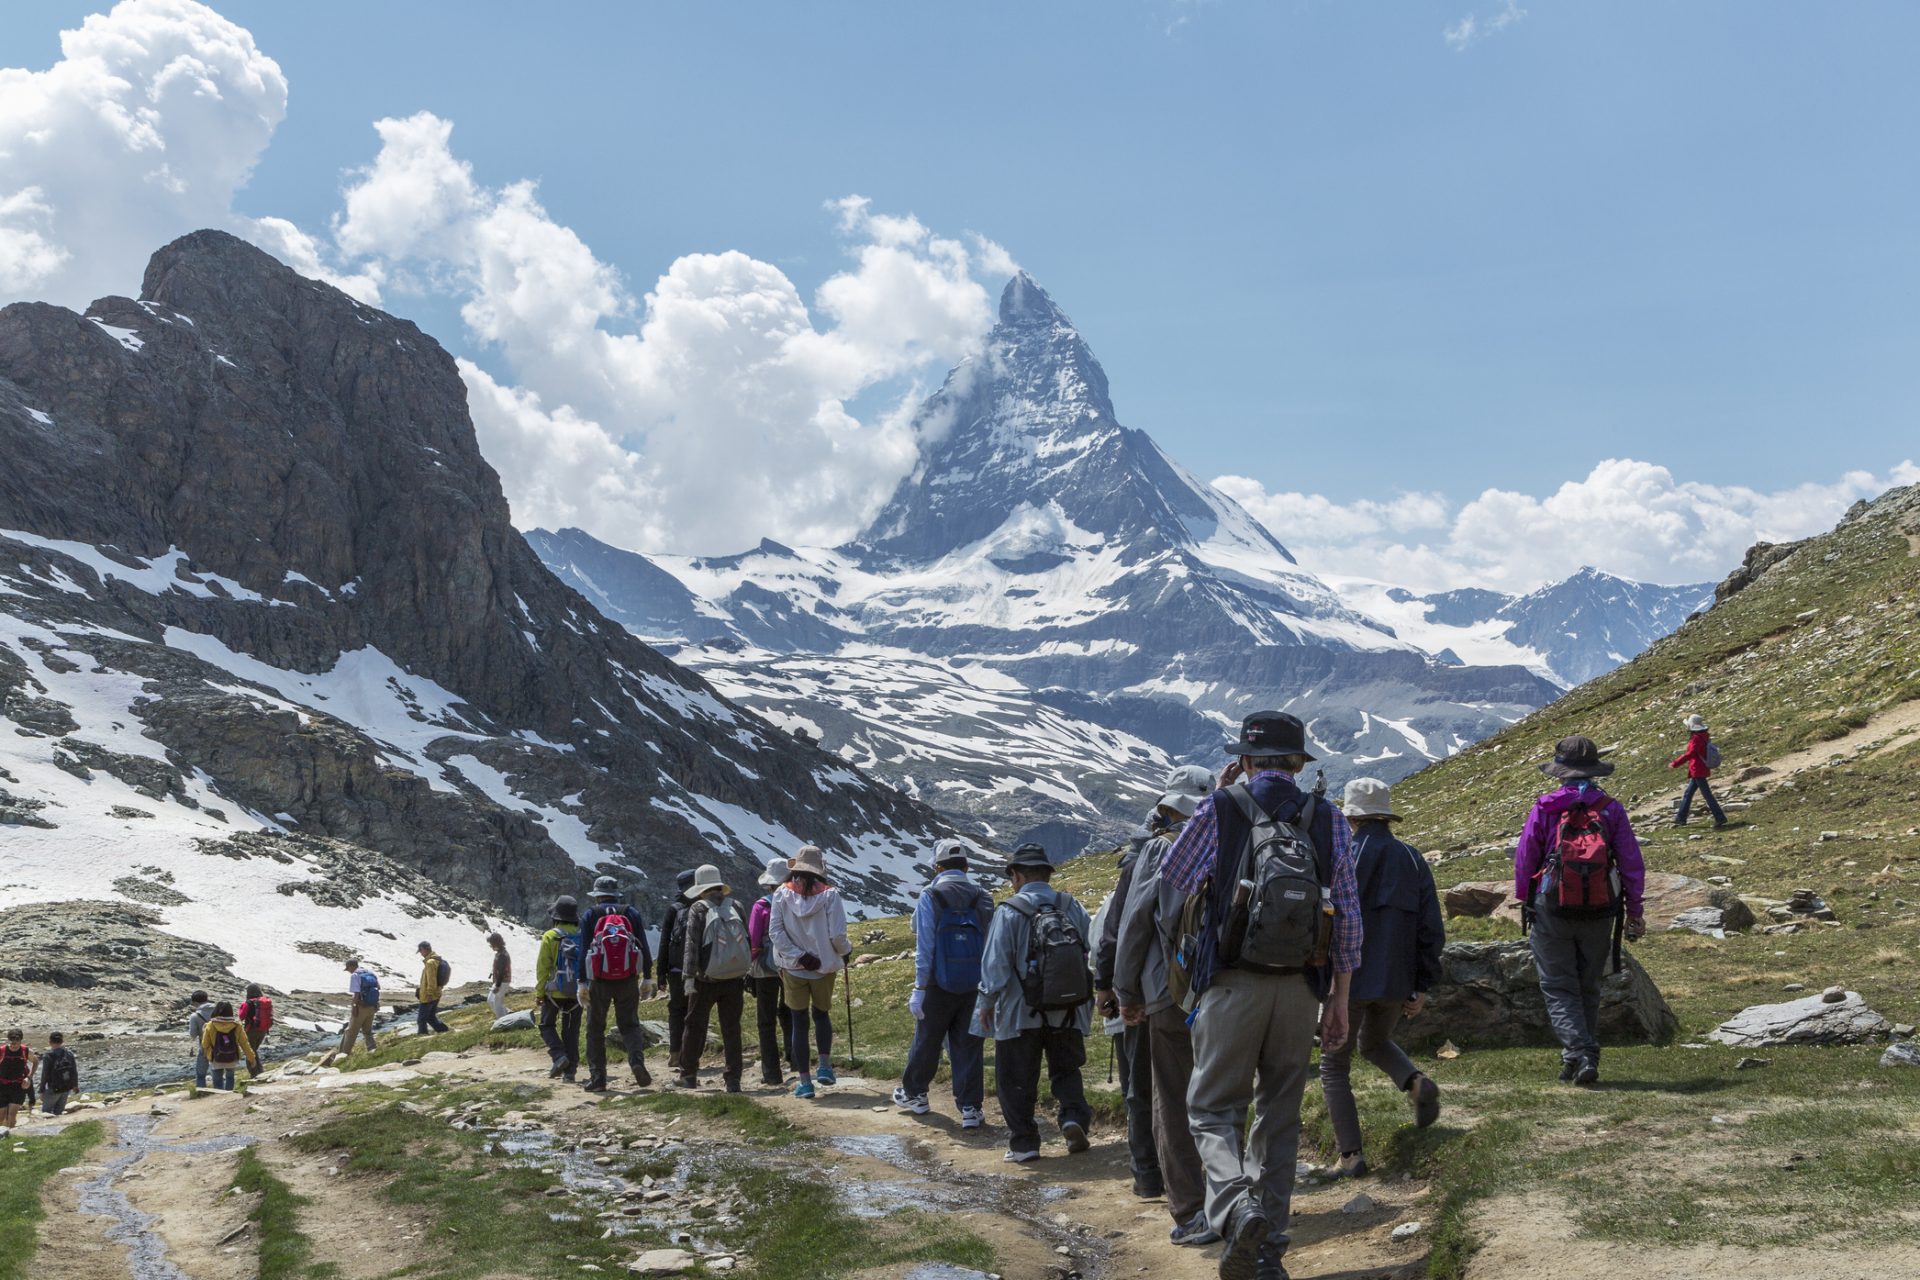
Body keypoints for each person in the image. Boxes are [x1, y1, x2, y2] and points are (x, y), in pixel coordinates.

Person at [1159, 710, 1363, 1280]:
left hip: (1230, 984)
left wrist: (1218, 805)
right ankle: (1268, 1245)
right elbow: (1346, 919)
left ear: (1245, 761)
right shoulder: (1330, 819)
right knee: (1280, 1117)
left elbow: (1171, 883)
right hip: (1301, 989)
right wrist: (1339, 1002)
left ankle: (1232, 1203)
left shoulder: (1221, 808)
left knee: (1212, 1108)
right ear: (1299, 763)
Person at [1318, 778, 1445, 1181]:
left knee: (1334, 1064)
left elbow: (1327, 921)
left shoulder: (1344, 856)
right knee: (1374, 1042)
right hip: (1396, 979)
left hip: (1348, 980)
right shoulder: (1411, 858)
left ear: (1351, 817)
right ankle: (1416, 1081)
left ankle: (1350, 1155)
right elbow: (1431, 929)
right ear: (1386, 815)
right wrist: (1421, 984)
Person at [1115, 772, 1218, 1247]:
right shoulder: (1233, 837)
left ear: (1167, 807)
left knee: (1172, 1102)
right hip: (1226, 992)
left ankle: (1192, 1213)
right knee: (1222, 1098)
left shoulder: (1160, 848)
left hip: (1168, 994)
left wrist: (1125, 991)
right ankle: (1232, 1199)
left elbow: (1137, 921)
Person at [1515, 735, 1646, 1087]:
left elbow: (1526, 857)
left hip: (1551, 906)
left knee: (1558, 985)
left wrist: (1524, 900)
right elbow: (1631, 862)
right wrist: (1634, 909)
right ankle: (1579, 1055)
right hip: (1601, 909)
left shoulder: (1546, 806)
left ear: (1560, 772)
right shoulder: (1611, 808)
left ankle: (1581, 1051)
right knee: (1588, 985)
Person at [976, 842, 1094, 1164]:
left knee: (1016, 1079)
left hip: (1019, 1013)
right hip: (1067, 1010)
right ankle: (1073, 1119)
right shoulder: (1072, 906)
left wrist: (986, 1002)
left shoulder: (1009, 911)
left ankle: (1024, 1143)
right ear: (1047, 873)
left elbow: (996, 964)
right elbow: (1091, 951)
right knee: (1067, 1070)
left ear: (1016, 875)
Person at [894, 838, 993, 1129]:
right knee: (968, 1045)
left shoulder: (931, 895)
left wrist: (919, 988)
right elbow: (990, 942)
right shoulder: (982, 896)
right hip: (975, 983)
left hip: (937, 983)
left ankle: (916, 1094)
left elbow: (924, 944)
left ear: (937, 867)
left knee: (927, 1039)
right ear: (967, 866)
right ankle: (971, 1108)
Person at [769, 845, 851, 1100]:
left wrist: (798, 956)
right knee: (822, 1014)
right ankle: (825, 1066)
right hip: (824, 967)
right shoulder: (830, 895)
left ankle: (804, 1082)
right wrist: (845, 950)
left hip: (794, 968)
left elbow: (776, 932)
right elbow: (837, 935)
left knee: (799, 1022)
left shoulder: (782, 894)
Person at [678, 864, 753, 1092]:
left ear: (701, 888)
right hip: (734, 977)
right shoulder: (737, 905)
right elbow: (746, 939)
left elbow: (691, 944)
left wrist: (689, 977)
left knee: (694, 1024)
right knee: (731, 1028)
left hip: (706, 979)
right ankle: (733, 1079)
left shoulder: (698, 908)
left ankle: (688, 1074)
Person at [578, 875, 657, 1092]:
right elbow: (643, 946)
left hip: (599, 981)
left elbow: (583, 950)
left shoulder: (590, 914)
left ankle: (598, 1078)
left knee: (595, 1028)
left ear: (597, 896)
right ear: (616, 894)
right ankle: (637, 1062)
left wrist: (581, 983)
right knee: (630, 1024)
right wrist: (647, 977)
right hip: (627, 979)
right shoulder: (630, 913)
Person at [747, 857, 796, 1086]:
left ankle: (772, 1072)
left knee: (766, 1020)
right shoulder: (796, 901)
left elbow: (754, 940)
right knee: (790, 1013)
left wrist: (750, 964)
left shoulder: (761, 906)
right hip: (791, 966)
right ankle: (796, 1059)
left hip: (765, 969)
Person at [535, 896, 584, 1082]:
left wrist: (540, 993)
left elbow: (543, 967)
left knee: (546, 1025)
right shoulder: (581, 935)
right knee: (571, 1030)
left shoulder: (550, 936)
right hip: (577, 991)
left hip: (554, 992)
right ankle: (570, 1073)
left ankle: (559, 1056)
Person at [655, 869, 698, 1075]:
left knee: (676, 1010)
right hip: (700, 970)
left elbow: (664, 941)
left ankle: (675, 1053)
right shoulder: (704, 907)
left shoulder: (675, 908)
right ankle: (693, 1053)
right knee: (696, 1012)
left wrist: (660, 973)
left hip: (676, 969)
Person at [1671, 714, 1727, 829]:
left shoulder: (1696, 738)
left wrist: (1675, 763)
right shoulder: (1703, 735)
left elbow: (1690, 754)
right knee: (1688, 793)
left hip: (1697, 770)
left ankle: (1720, 818)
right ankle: (1680, 818)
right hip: (1699, 769)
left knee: (1707, 795)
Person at [200, 1002, 259, 1090]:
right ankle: (229, 1095)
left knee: (217, 1079)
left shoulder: (210, 1025)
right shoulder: (237, 1025)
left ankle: (219, 1096)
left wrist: (205, 1055)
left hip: (216, 1058)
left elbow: (205, 1043)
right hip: (232, 1057)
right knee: (230, 1077)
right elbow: (244, 1044)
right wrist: (251, 1058)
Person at [340, 960, 380, 1056]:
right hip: (372, 1005)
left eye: (348, 969)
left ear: (351, 966)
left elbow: (356, 993)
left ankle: (344, 1055)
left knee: (351, 1032)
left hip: (361, 1007)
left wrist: (354, 1007)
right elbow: (378, 987)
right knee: (367, 1031)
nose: (348, 971)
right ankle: (372, 1050)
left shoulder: (355, 975)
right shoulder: (370, 973)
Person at [0, 1029, 34, 1134]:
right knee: (1, 1117)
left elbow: (35, 1062)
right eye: (12, 1043)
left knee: (11, 1115)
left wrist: (29, 1077)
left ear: (21, 1041)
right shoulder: (2, 1051)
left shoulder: (26, 1051)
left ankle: (10, 1135)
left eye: (17, 1043)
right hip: (2, 1086)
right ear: (8, 1040)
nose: (14, 1046)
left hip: (18, 1087)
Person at [37, 1031, 78, 1116]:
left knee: (46, 1113)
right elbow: (74, 1072)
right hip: (66, 1088)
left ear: (50, 1042)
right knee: (59, 1113)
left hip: (53, 1089)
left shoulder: (48, 1056)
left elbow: (45, 1074)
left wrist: (41, 1090)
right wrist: (75, 1086)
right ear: (62, 1041)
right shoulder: (69, 1054)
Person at [415, 942, 451, 1034]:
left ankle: (422, 1035)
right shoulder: (437, 960)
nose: (421, 953)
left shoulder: (430, 962)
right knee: (430, 1017)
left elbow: (431, 980)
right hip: (436, 993)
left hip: (428, 996)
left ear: (425, 949)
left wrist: (429, 993)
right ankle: (444, 1030)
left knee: (421, 1019)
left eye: (421, 951)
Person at [187, 990, 216, 1089]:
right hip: (221, 1043)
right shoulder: (218, 1010)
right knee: (217, 1069)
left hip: (205, 1045)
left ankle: (200, 1091)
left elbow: (193, 1034)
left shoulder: (195, 1016)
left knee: (200, 1072)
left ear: (195, 1002)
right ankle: (221, 1090)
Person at [239, 983, 275, 1059]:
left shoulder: (247, 1003)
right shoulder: (264, 1001)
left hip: (251, 1030)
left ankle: (256, 1070)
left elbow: (241, 1016)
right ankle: (258, 1069)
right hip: (264, 1029)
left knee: (250, 1052)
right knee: (254, 1051)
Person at [486, 932, 513, 1019]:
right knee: (491, 1000)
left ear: (496, 943)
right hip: (500, 981)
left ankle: (502, 1019)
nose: (491, 946)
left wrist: (497, 986)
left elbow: (502, 972)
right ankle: (506, 1014)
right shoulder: (500, 953)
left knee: (496, 1001)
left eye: (491, 944)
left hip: (502, 981)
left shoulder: (502, 955)